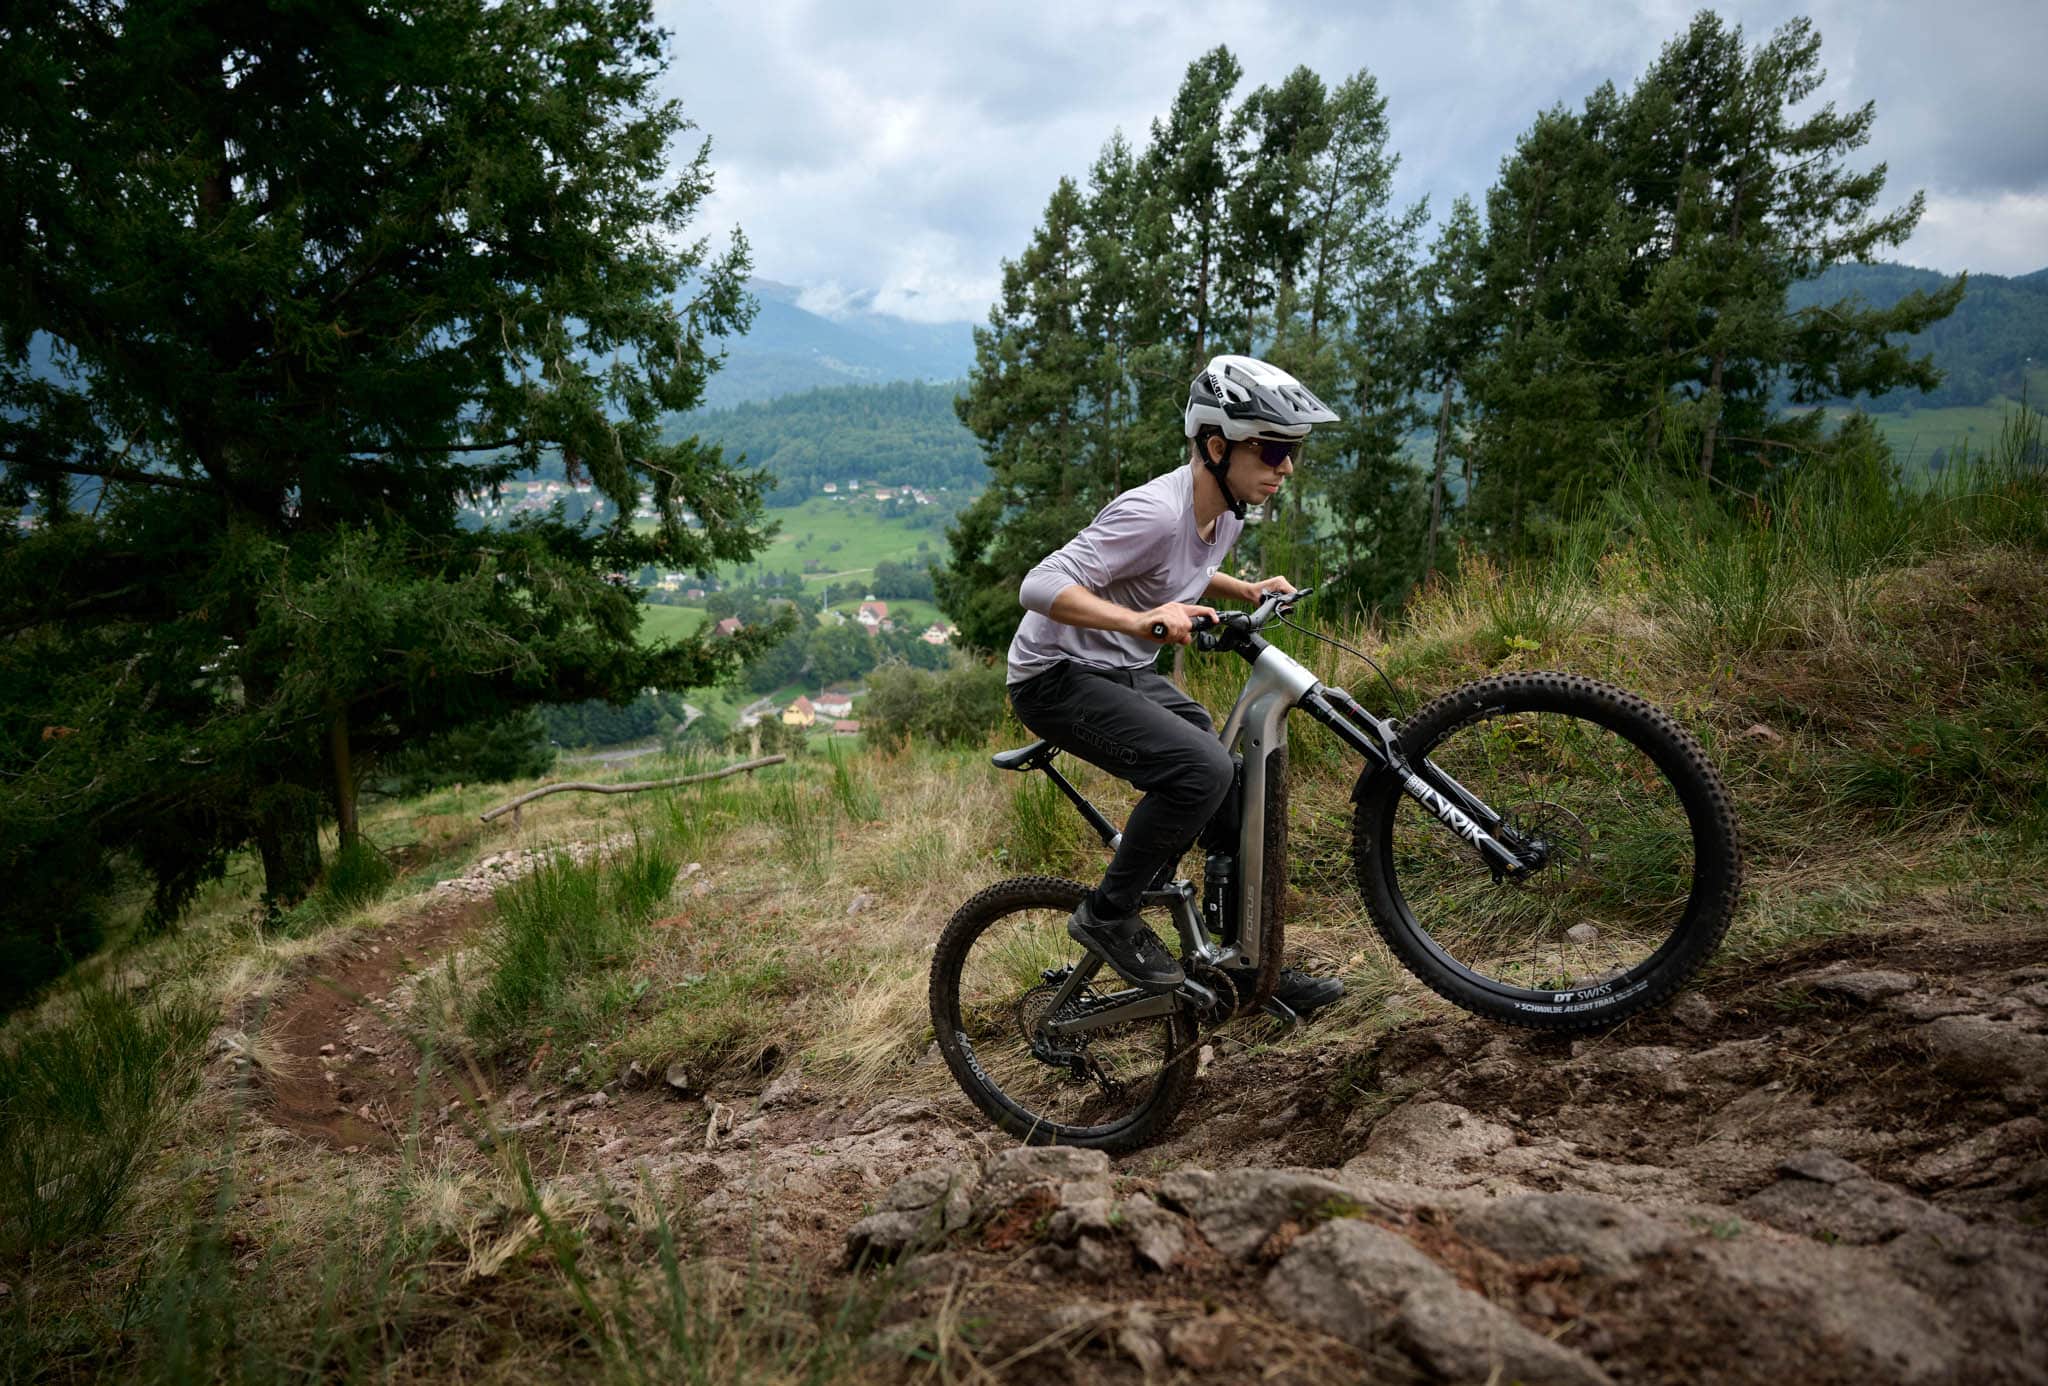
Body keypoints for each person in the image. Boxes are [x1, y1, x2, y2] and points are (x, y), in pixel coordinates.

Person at [1004, 353, 1346, 1015]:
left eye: (1293, 452)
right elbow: (1039, 584)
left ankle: (1245, 966)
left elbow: (1176, 566)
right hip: (1054, 676)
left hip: (1117, 668)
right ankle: (1109, 914)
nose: (1286, 469)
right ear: (1217, 447)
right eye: (1274, 450)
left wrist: (1242, 588)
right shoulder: (1153, 511)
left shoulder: (1226, 510)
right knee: (1199, 769)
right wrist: (1138, 621)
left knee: (1231, 783)